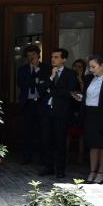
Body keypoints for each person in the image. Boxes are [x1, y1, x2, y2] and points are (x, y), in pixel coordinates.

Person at [38, 48, 79, 179]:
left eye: (56, 57)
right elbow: (41, 90)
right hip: (46, 112)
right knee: (46, 140)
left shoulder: (71, 74)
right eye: (52, 57)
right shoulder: (46, 72)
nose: (53, 59)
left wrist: (52, 90)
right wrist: (51, 77)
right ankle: (48, 167)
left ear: (64, 59)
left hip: (61, 113)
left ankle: (60, 169)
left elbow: (70, 93)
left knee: (60, 141)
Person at [74, 55, 103, 183]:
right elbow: (86, 96)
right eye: (89, 67)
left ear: (102, 66)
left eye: (93, 67)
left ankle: (101, 172)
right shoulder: (89, 78)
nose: (90, 69)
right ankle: (92, 171)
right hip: (89, 114)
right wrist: (80, 97)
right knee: (92, 145)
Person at [17, 45, 48, 165]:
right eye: (29, 55)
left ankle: (43, 158)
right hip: (28, 103)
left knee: (42, 131)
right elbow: (21, 84)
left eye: (33, 55)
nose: (31, 57)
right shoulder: (22, 69)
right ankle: (26, 157)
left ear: (38, 55)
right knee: (27, 131)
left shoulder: (46, 68)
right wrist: (35, 79)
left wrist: (36, 71)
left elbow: (45, 83)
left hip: (41, 103)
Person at [67, 59, 88, 164]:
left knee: (81, 134)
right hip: (69, 107)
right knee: (67, 132)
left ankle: (80, 156)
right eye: (75, 66)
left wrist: (80, 78)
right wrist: (71, 93)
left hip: (81, 108)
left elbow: (86, 91)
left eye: (80, 67)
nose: (77, 68)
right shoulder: (68, 77)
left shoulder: (86, 78)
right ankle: (65, 156)